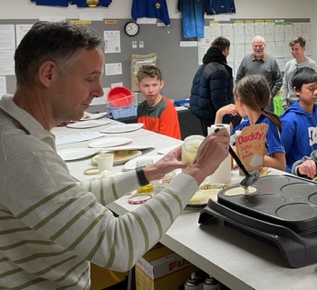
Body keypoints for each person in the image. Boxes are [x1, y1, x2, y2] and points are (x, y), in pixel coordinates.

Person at [0, 22, 230, 289]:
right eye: (90, 78)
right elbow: (119, 246)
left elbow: (75, 196)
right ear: (48, 74)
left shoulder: (15, 133)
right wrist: (197, 171)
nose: (99, 90)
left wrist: (149, 172)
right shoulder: (21, 153)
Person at [215, 74, 286, 170]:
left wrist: (245, 154)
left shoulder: (267, 124)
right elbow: (221, 143)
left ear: (240, 102)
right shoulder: (245, 124)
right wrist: (219, 114)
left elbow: (280, 164)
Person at [280, 67, 317, 172]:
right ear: (296, 90)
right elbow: (280, 156)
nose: (316, 92)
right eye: (311, 89)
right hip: (296, 174)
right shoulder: (289, 120)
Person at [189, 36, 234, 135]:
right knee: (218, 142)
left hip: (203, 114)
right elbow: (219, 99)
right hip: (214, 116)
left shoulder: (204, 66)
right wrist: (227, 120)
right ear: (225, 50)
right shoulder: (220, 70)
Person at [235, 35, 282, 112]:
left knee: (266, 119)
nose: (257, 48)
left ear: (264, 46)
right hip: (248, 101)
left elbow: (279, 80)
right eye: (255, 46)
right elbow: (238, 79)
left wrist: (271, 95)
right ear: (252, 46)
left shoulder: (271, 61)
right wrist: (241, 95)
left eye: (260, 46)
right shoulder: (245, 60)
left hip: (266, 103)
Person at [136, 64, 180, 139]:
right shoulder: (141, 107)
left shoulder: (167, 108)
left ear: (161, 84)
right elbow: (141, 134)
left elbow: (166, 140)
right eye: (146, 86)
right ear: (138, 86)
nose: (150, 90)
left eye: (154, 85)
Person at [282, 36, 317, 109]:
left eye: (296, 49)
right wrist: (284, 102)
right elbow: (285, 85)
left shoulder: (311, 64)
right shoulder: (288, 65)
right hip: (291, 103)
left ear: (303, 48)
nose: (294, 52)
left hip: (306, 103)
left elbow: (314, 85)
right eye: (292, 49)